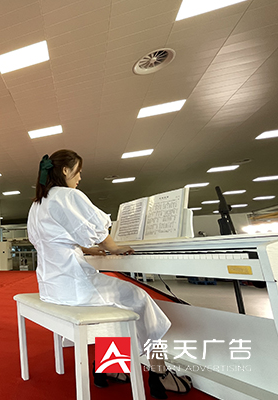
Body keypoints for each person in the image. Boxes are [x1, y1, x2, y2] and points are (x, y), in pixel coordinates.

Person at [27, 150, 191, 399]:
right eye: (78, 171)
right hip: (75, 285)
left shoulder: (38, 203)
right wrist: (113, 247)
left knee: (116, 301)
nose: (80, 177)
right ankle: (160, 373)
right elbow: (97, 230)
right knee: (139, 298)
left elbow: (54, 239)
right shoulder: (67, 195)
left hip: (51, 286)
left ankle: (112, 366)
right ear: (65, 171)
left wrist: (87, 249)